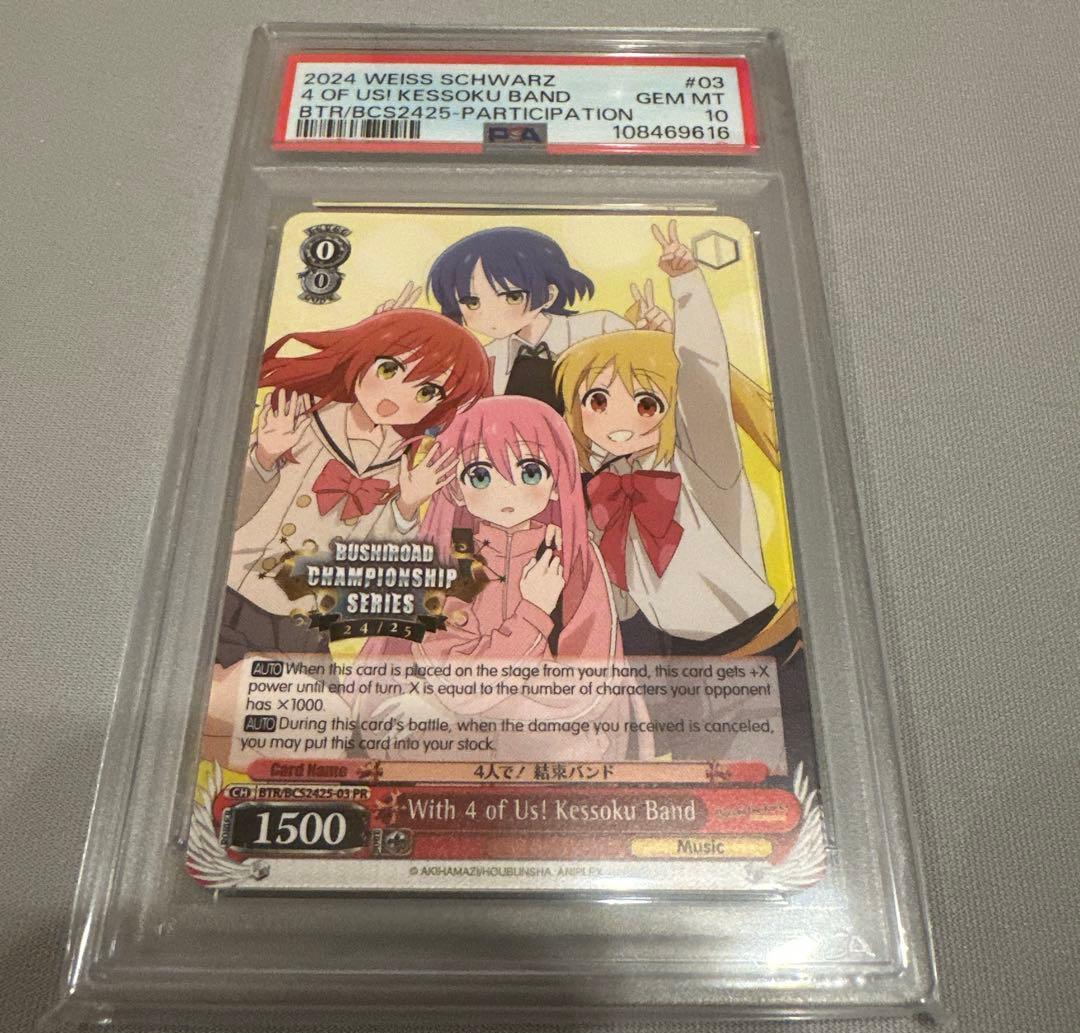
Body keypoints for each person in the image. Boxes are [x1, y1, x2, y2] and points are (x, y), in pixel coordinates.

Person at [358, 396, 651, 762]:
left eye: (530, 473)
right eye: (480, 476)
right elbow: (453, 677)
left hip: (550, 737)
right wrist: (533, 613)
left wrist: (487, 699)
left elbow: (583, 687)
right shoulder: (453, 557)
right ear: (456, 489)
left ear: (558, 482)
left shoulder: (574, 555)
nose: (505, 491)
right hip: (457, 738)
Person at [216, 307, 490, 665]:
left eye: (426, 392)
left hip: (305, 616)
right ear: (362, 355)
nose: (397, 396)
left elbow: (376, 561)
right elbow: (226, 517)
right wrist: (265, 456)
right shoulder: (300, 417)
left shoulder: (399, 460)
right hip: (237, 593)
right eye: (389, 370)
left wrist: (406, 506)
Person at [555, 220, 777, 656]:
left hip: (746, 639)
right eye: (597, 401)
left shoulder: (701, 461)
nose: (618, 419)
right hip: (653, 646)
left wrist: (686, 286)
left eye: (644, 403)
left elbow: (704, 377)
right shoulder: (599, 480)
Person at [425, 226, 669, 412]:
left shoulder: (601, 328)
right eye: (472, 302)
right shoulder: (485, 361)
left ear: (549, 294)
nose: (492, 315)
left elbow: (656, 389)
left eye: (512, 297)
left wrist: (657, 344)